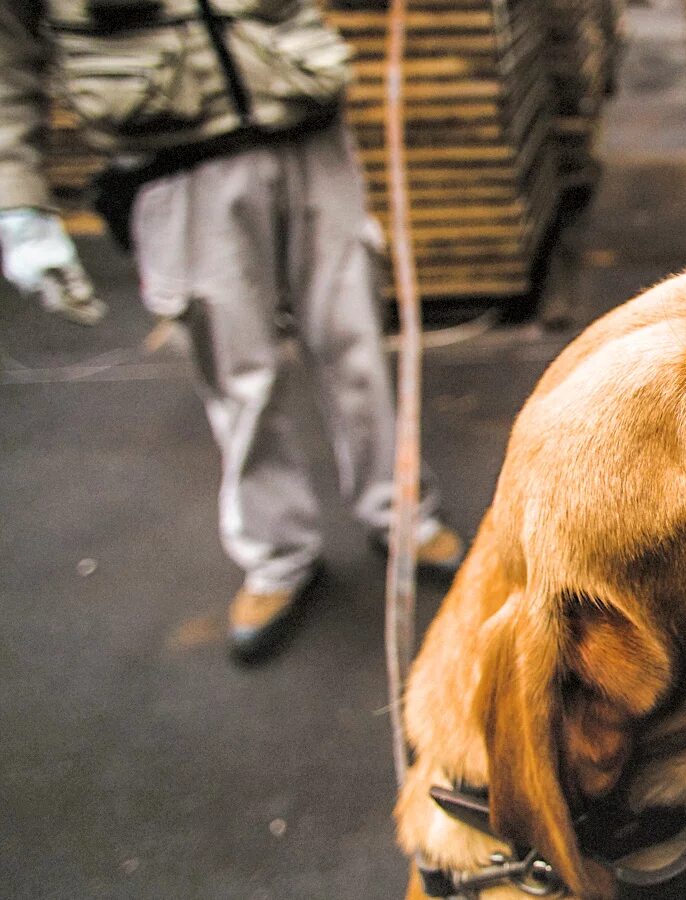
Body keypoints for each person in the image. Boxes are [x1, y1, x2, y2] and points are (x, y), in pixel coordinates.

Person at [0, 0, 464, 662]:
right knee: (236, 375)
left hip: (308, 129)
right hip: (176, 163)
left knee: (356, 344)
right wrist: (16, 197)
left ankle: (402, 515)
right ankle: (278, 554)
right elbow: (8, 50)